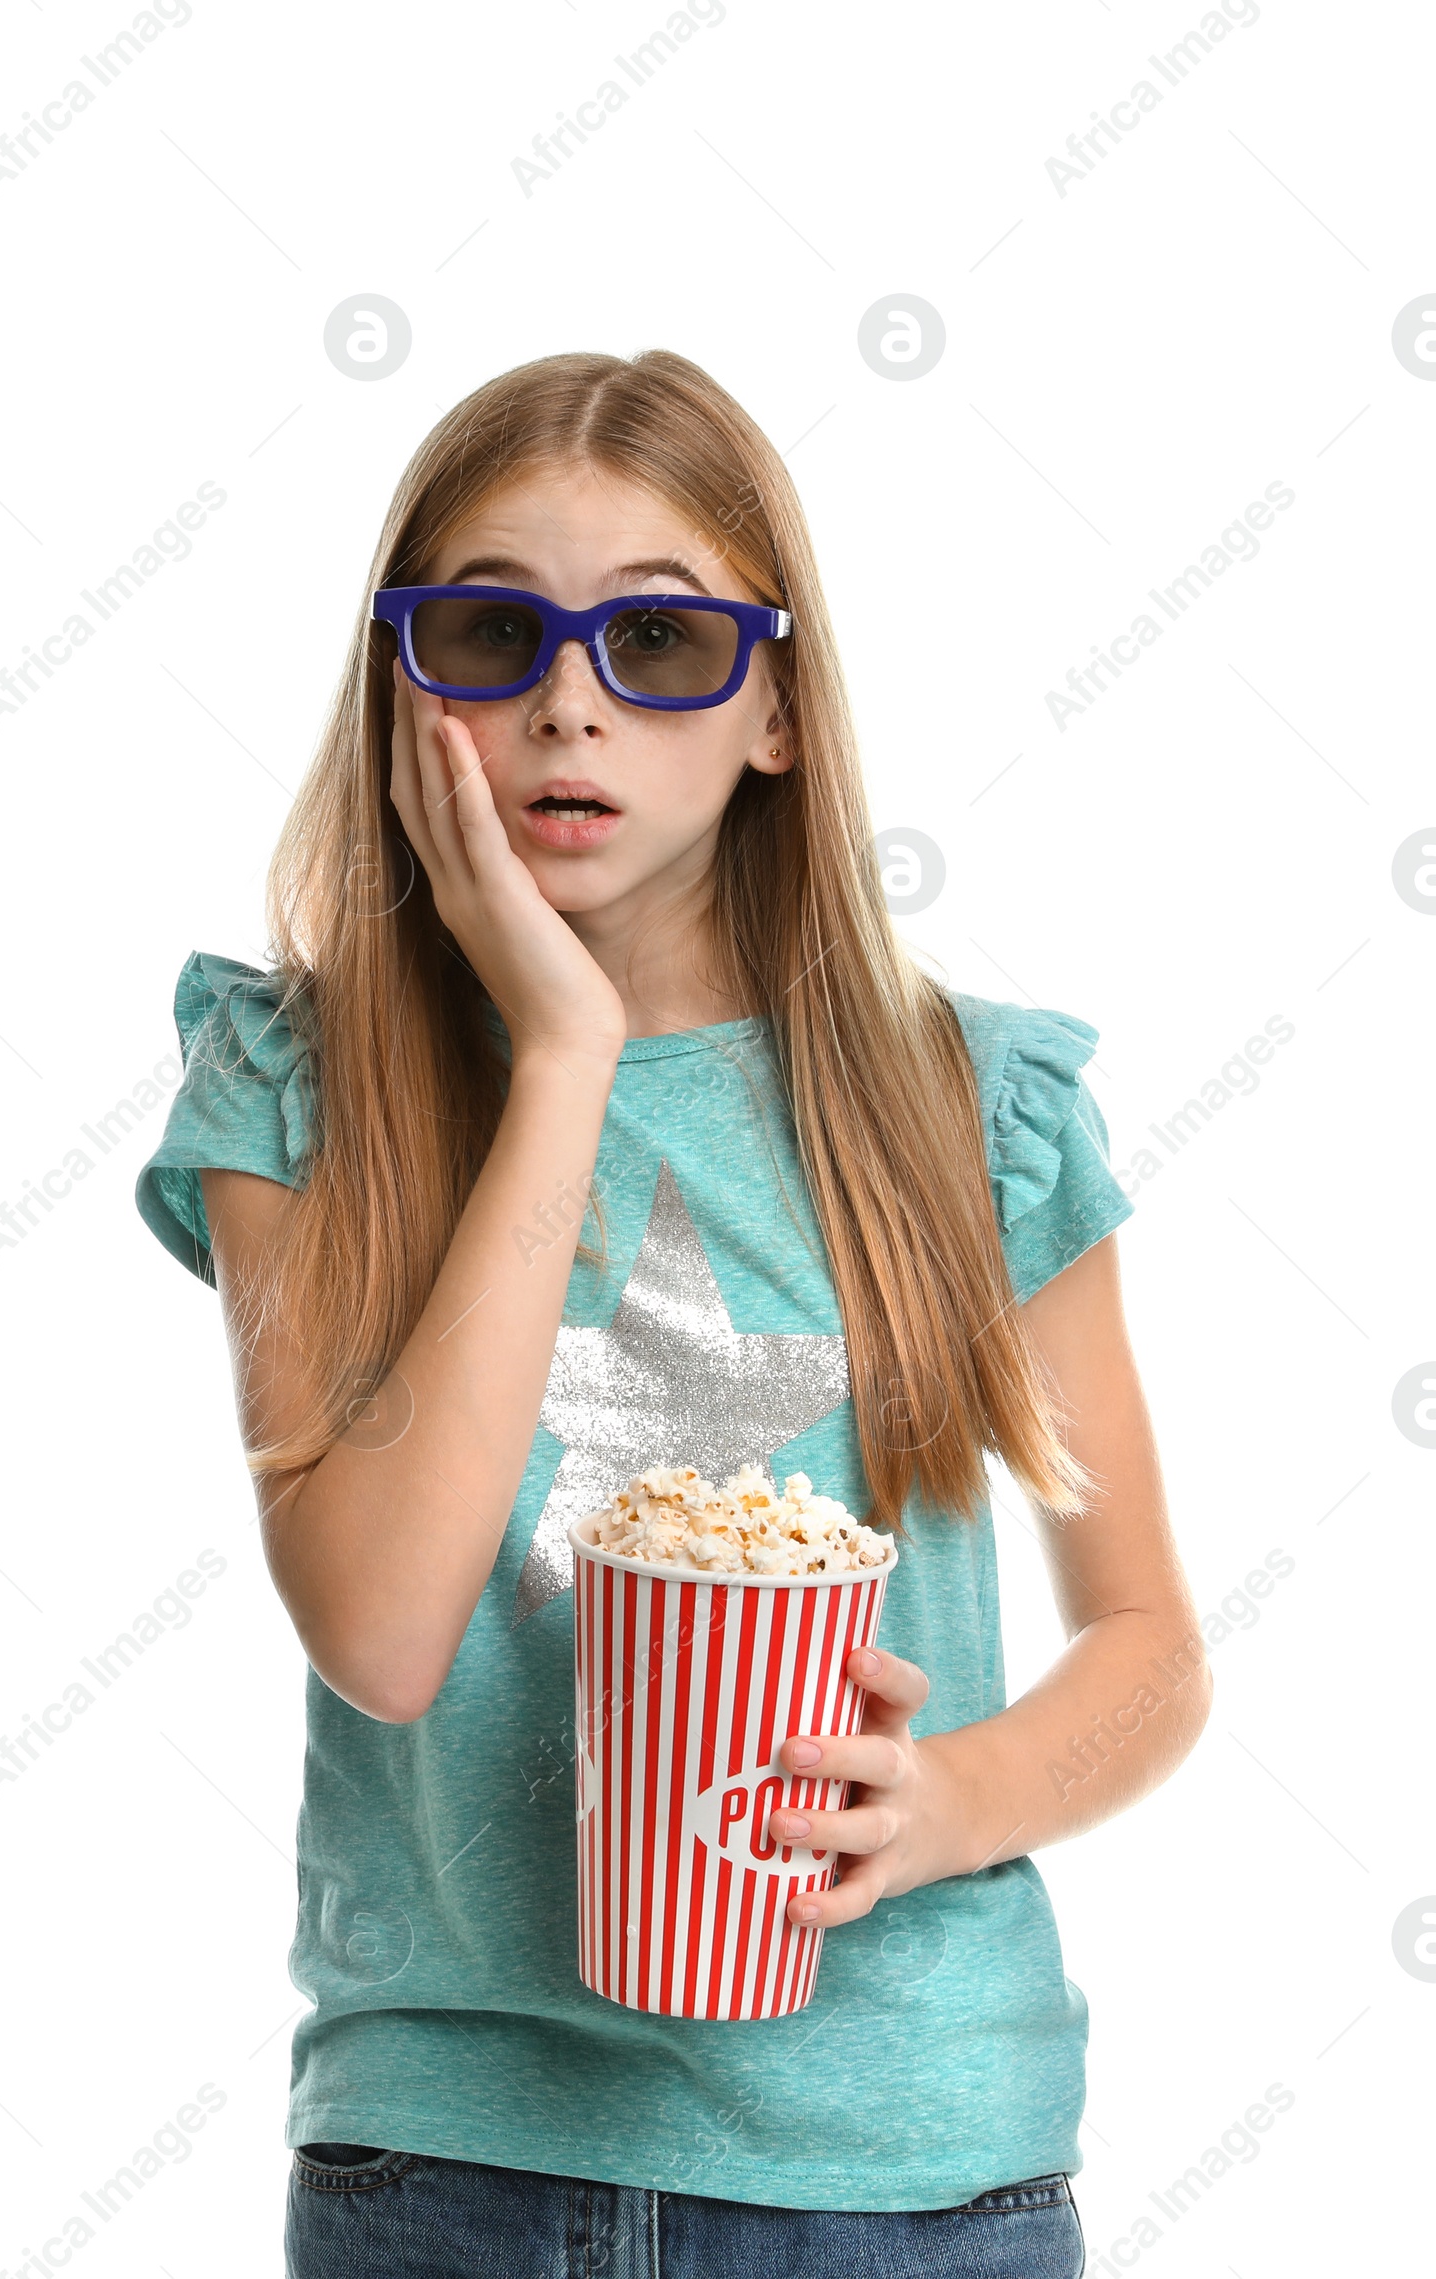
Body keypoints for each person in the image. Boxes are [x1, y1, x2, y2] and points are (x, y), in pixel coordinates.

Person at [136, 348, 1210, 2279]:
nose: (568, 699)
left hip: (912, 2177)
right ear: (404, 690)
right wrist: (564, 1050)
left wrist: (953, 1794)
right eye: (487, 630)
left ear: (777, 707)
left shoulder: (971, 1113)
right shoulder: (295, 1087)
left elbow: (1149, 1647)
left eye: (659, 639)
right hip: (447, 2163)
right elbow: (380, 1629)